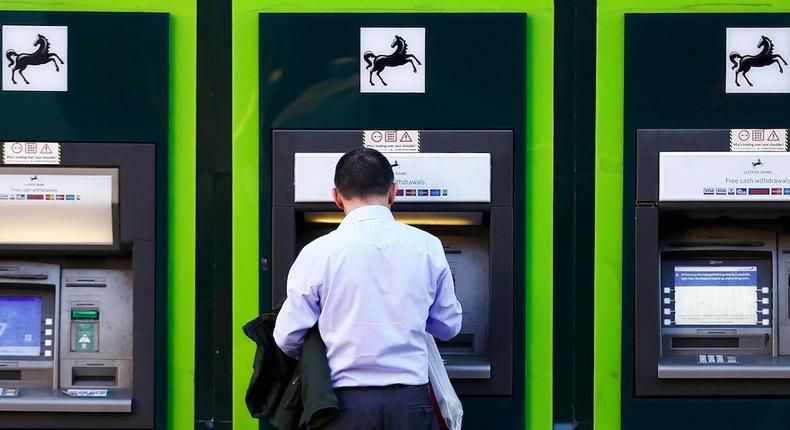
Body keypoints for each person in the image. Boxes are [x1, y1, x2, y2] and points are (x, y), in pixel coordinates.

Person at [273, 147, 463, 430]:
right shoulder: (427, 246)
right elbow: (449, 326)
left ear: (336, 196)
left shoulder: (317, 253)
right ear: (393, 192)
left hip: (341, 407)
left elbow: (287, 336)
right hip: (410, 404)